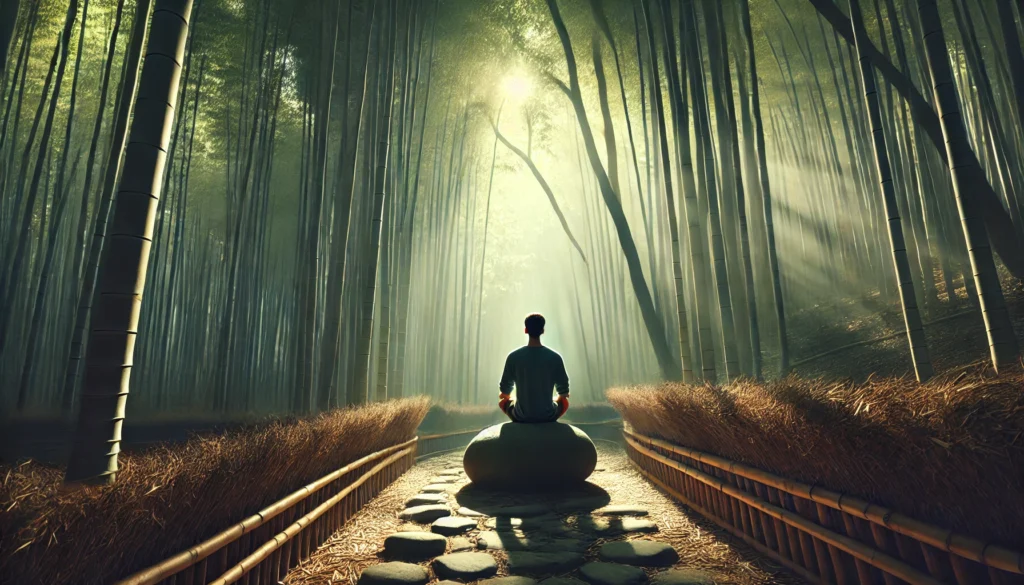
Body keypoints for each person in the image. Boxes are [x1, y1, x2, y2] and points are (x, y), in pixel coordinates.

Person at [498, 313, 570, 423]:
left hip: (521, 417)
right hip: (548, 416)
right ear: (542, 331)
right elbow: (564, 392)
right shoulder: (555, 357)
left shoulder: (513, 357)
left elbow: (504, 391)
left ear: (525, 330)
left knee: (503, 401)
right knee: (564, 402)